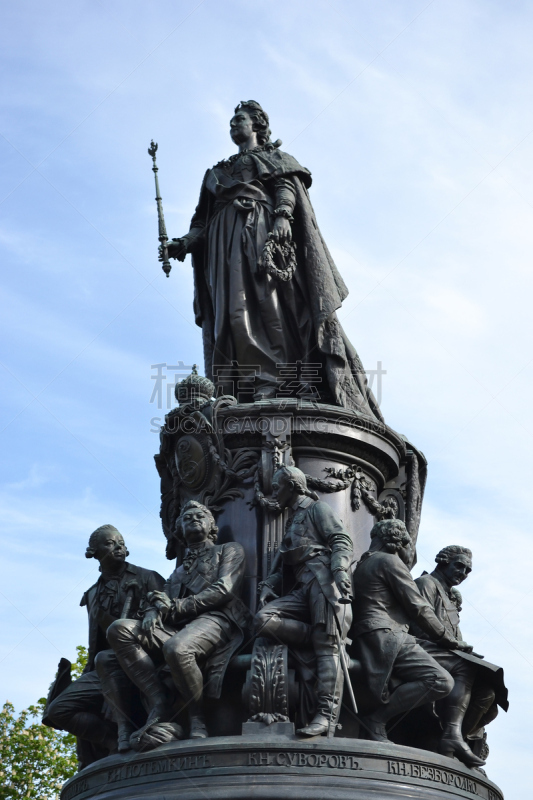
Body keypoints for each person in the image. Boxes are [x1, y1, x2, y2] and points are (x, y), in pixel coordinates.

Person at [165, 100, 382, 417]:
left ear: (257, 124)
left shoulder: (274, 159)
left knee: (268, 310)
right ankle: (243, 387)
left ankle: (275, 382)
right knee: (229, 316)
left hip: (260, 233)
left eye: (239, 118)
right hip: (222, 249)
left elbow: (285, 187)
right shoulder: (217, 173)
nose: (233, 124)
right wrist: (183, 243)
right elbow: (202, 221)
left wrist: (280, 220)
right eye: (231, 120)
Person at [106, 501, 250, 744]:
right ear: (180, 531)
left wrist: (178, 606)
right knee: (119, 629)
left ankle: (197, 717)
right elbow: (162, 599)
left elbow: (224, 589)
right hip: (182, 626)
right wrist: (153, 611)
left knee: (177, 648)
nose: (193, 519)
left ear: (211, 526)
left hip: (220, 620)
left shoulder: (229, 550)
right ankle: (159, 703)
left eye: (199, 516)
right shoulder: (178, 572)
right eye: (187, 518)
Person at [43, 525, 165, 766]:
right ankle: (110, 741)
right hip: (102, 666)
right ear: (94, 552)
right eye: (110, 543)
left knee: (106, 660)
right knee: (57, 711)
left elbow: (167, 620)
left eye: (121, 541)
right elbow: (95, 642)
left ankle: (124, 732)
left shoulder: (148, 577)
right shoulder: (91, 594)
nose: (119, 546)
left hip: (141, 659)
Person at [350, 519, 470, 749]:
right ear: (397, 541)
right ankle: (377, 719)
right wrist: (447, 639)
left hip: (372, 632)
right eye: (406, 544)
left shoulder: (365, 562)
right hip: (387, 634)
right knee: (441, 681)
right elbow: (419, 607)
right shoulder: (390, 562)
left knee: (460, 670)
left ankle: (452, 734)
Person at [254, 466, 354, 736]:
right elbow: (284, 561)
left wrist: (339, 569)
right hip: (303, 587)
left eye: (277, 486)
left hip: (323, 581)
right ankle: (321, 639)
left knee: (328, 648)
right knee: (263, 619)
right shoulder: (293, 518)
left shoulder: (316, 509)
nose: (273, 491)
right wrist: (268, 585)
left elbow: (341, 539)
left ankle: (327, 716)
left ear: (293, 486)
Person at [411, 545, 508, 767]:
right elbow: (418, 627)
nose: (463, 574)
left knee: (489, 693)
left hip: (445, 652)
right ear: (443, 561)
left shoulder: (450, 597)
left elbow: (457, 636)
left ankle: (446, 739)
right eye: (459, 566)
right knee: (471, 669)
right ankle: (447, 737)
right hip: (422, 648)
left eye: (467, 571)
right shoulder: (426, 584)